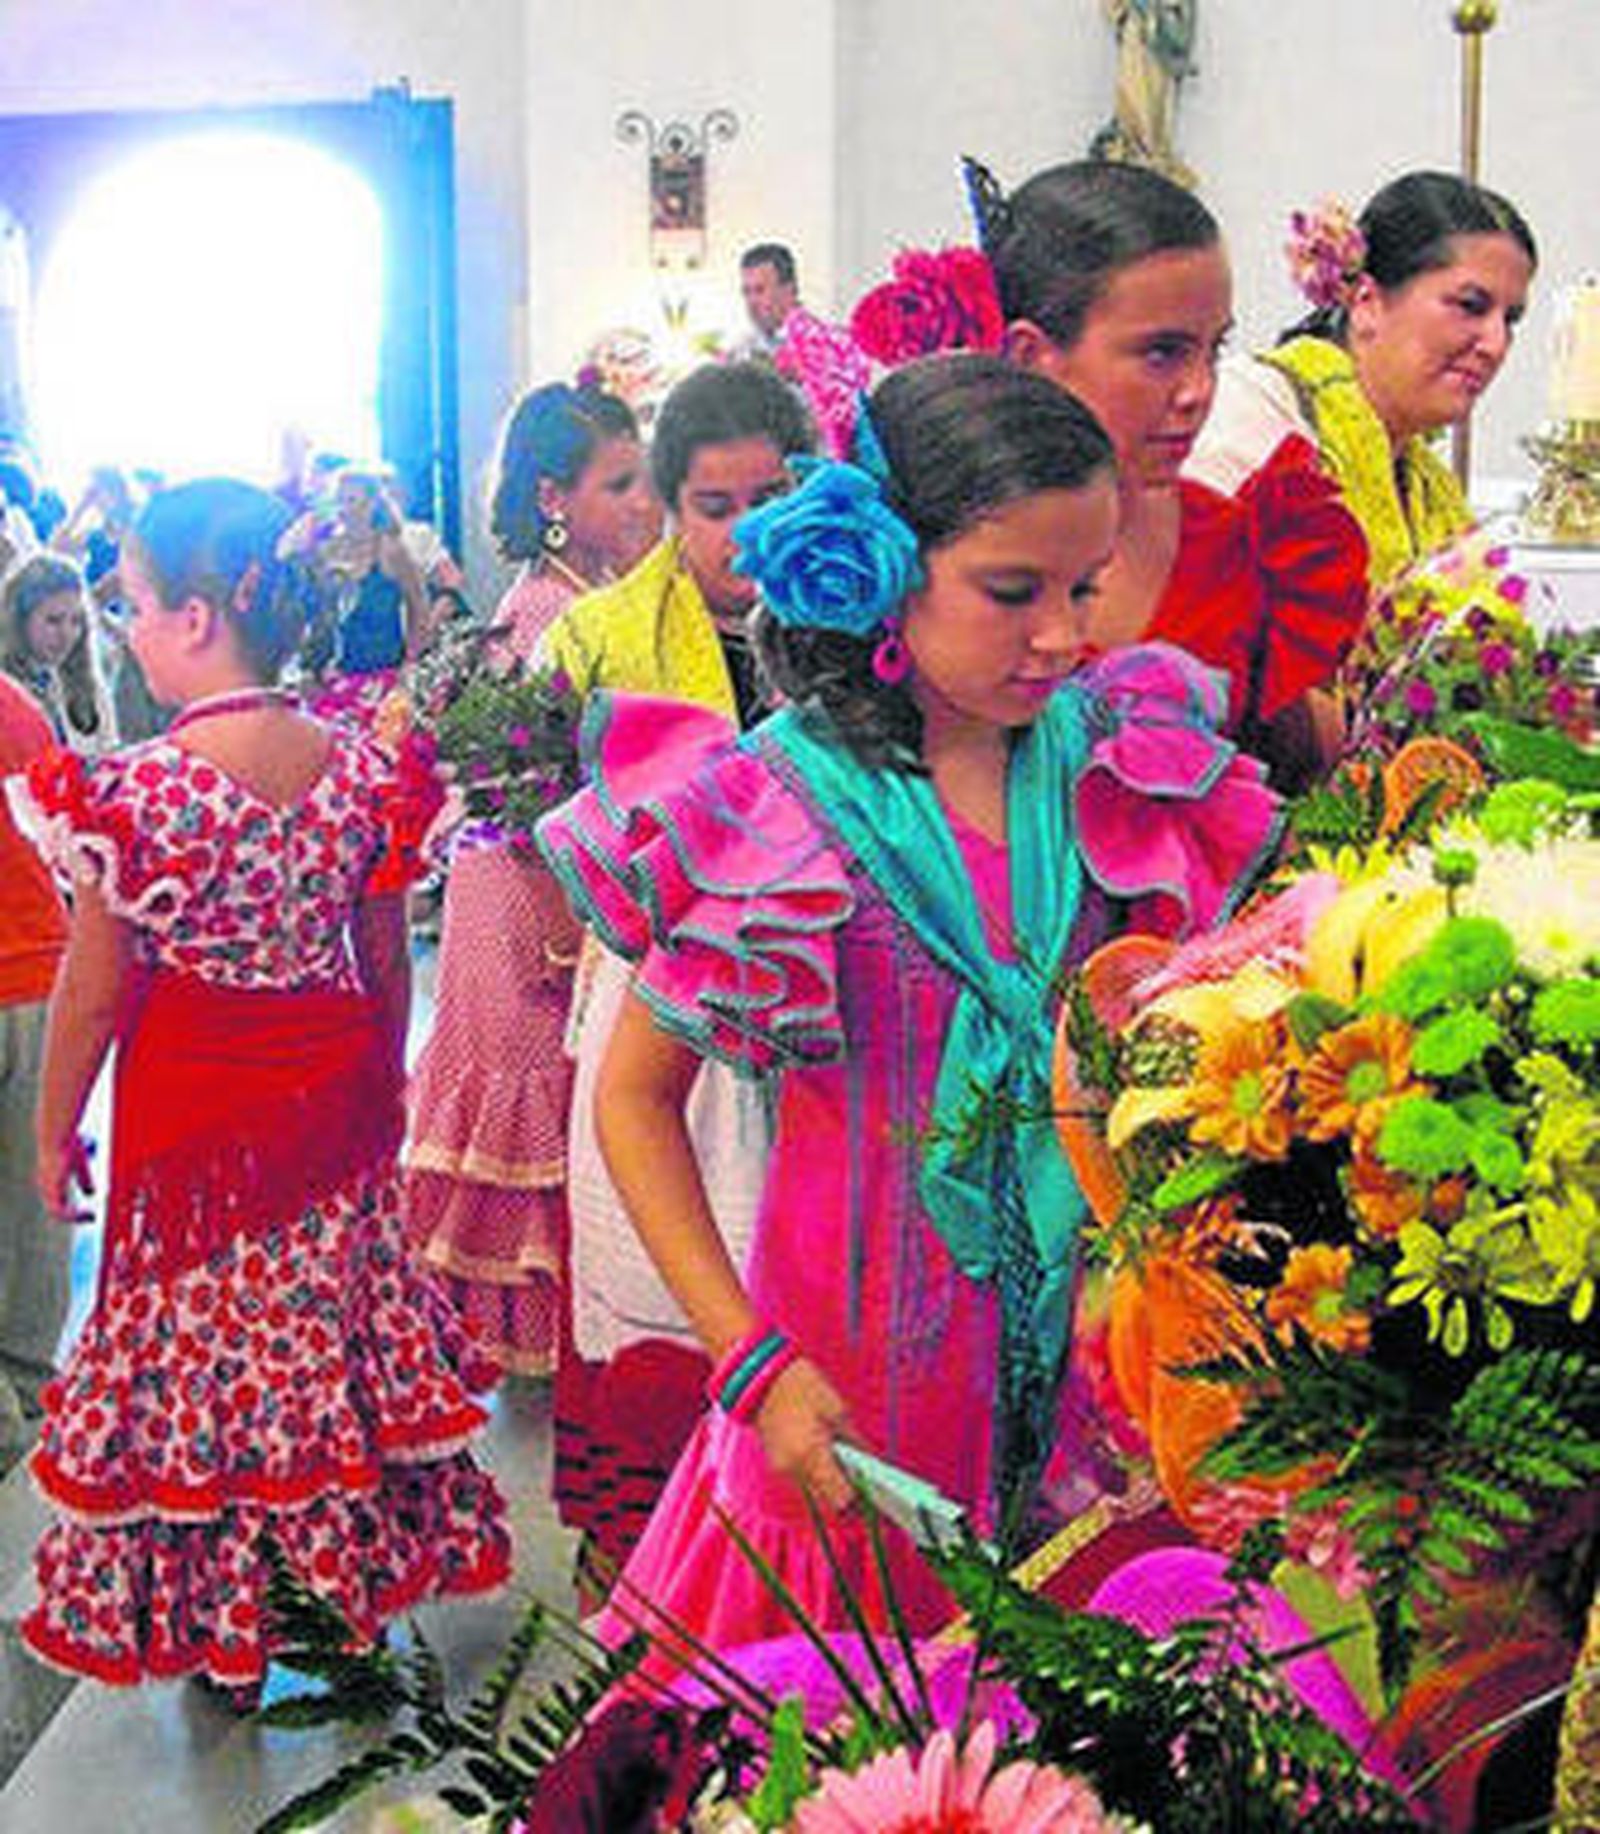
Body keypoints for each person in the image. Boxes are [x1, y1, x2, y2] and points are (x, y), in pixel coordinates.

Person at [538, 354, 1281, 1662]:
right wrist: (745, 1358)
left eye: (1084, 589)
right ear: (884, 567)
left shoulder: (1115, 761)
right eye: (1013, 593)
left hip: (1090, 1383)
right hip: (838, 1391)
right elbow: (631, 1098)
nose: (1060, 634)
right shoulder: (775, 804)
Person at [9, 479, 509, 1694]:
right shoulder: (359, 770)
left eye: (129, 605)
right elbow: (385, 957)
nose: (122, 630)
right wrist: (382, 1087)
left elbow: (92, 986)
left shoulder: (139, 793)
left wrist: (53, 1123)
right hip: (330, 1090)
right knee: (322, 1339)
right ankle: (347, 1601)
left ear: (194, 619)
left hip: (195, 1119)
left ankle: (227, 1629)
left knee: (204, 1356)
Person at [537, 361, 812, 1597]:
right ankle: (640, 1584)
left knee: (790, 1270)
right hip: (660, 1010)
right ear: (664, 504)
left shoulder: (860, 624)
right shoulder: (594, 638)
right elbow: (552, 844)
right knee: (657, 1268)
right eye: (714, 504)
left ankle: (764, 1562)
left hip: (811, 1020)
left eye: (777, 493)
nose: (749, 530)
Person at [404, 381, 659, 1378]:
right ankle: (537, 1336)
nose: (642, 503)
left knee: (555, 1088)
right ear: (554, 495)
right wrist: (570, 914)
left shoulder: (585, 597)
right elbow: (531, 787)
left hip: (529, 875)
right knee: (537, 1085)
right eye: (620, 483)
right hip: (527, 885)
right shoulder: (553, 609)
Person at [965, 156, 1369, 783]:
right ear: (1032, 355)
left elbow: (1294, 766)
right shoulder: (932, 552)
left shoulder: (1235, 540)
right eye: (1162, 353)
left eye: (1215, 349)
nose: (1199, 391)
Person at [1189, 171, 1537, 589]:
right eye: (1470, 305)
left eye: (1510, 320)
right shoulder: (1256, 415)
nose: (1496, 344)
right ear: (1367, 302)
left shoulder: (1426, 486)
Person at [0, 672, 70, 1477]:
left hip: (26, 973)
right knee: (31, 1210)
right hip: (35, 974)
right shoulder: (17, 705)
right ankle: (21, 1389)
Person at [1, 552, 114, 753]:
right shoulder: (6, 689)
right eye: (53, 620)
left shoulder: (88, 686)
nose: (67, 635)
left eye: (76, 621)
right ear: (19, 620)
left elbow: (109, 753)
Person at [738, 243, 801, 357]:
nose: (752, 301)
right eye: (746, 292)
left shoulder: (819, 345)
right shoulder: (742, 349)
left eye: (760, 290)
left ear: (788, 292)